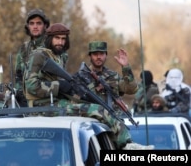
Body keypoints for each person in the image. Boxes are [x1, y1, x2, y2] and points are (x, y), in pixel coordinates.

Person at [24, 23, 153, 150]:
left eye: (63, 39)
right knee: (98, 110)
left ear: (106, 55)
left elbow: (131, 89)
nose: (60, 42)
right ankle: (126, 145)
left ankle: (125, 144)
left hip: (57, 105)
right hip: (42, 106)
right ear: (90, 56)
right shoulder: (40, 55)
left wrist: (125, 67)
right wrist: (60, 86)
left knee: (98, 110)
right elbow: (30, 85)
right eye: (57, 38)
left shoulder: (59, 57)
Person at [14, 8, 50, 107]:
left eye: (39, 23)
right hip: (26, 101)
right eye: (32, 23)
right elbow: (18, 77)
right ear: (28, 26)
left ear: (45, 26)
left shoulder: (51, 47)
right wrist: (20, 95)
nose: (35, 26)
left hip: (46, 99)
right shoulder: (23, 49)